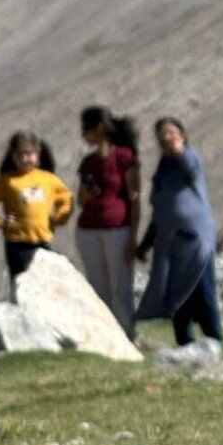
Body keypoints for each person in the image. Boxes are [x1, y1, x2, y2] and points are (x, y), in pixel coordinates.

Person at [135, 116, 222, 347]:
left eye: (171, 133)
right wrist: (145, 244)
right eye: (162, 135)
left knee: (202, 287)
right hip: (170, 240)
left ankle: (215, 339)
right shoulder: (163, 170)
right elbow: (160, 210)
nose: (166, 138)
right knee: (176, 293)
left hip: (195, 237)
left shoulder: (190, 157)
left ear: (182, 135)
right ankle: (185, 343)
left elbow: (192, 171)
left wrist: (179, 151)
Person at [0, 132, 74, 288]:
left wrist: (59, 217)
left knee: (45, 286)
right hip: (17, 243)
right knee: (22, 285)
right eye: (19, 155)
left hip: (43, 240)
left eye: (29, 154)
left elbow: (66, 199)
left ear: (37, 154)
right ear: (12, 157)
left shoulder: (48, 179)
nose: (24, 159)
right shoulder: (7, 181)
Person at [76, 105, 140, 334]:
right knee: (98, 287)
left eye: (86, 129)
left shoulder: (124, 157)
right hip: (88, 229)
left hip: (118, 229)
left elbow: (134, 198)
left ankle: (126, 335)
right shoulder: (88, 163)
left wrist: (133, 236)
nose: (83, 134)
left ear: (100, 128)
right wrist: (87, 192)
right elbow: (81, 201)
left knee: (121, 287)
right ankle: (105, 336)